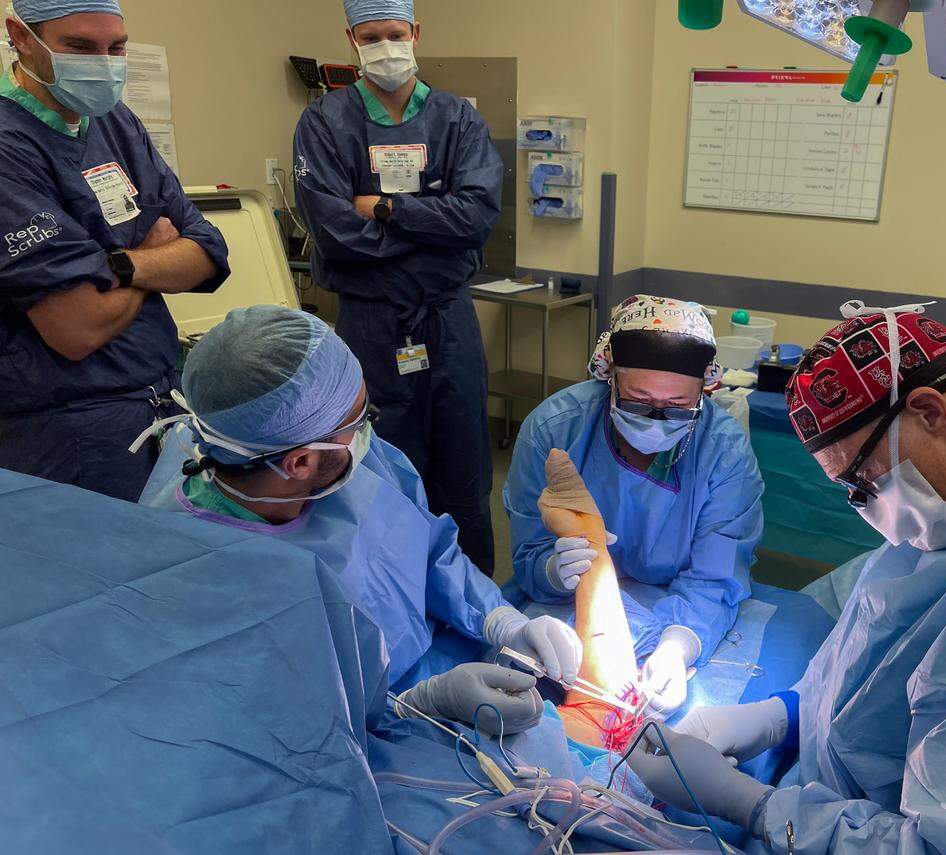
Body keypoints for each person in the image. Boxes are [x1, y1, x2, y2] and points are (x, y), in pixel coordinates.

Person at [627, 304, 946, 853]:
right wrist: (785, 715)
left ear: (929, 412)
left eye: (862, 480)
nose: (866, 506)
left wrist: (753, 806)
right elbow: (891, 675)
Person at [138, 306, 578, 732]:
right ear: (300, 462)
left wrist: (498, 620)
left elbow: (427, 551)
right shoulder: (191, 575)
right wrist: (414, 707)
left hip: (442, 660)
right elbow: (266, 730)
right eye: (360, 419)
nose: (368, 431)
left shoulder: (349, 464)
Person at [293, 0, 502, 576]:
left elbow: (477, 217)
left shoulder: (457, 119)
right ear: (351, 41)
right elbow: (334, 234)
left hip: (447, 319)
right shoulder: (325, 123)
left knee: (463, 474)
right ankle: (395, 608)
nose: (385, 46)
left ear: (415, 33)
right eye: (371, 36)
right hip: (372, 323)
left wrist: (384, 209)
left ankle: (475, 608)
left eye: (394, 33)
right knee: (380, 470)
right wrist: (433, 227)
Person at [0, 0, 229, 502]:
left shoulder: (114, 122)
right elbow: (76, 326)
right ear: (19, 36)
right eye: (80, 47)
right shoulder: (8, 146)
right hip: (71, 433)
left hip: (161, 401)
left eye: (116, 47)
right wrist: (153, 255)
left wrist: (121, 266)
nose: (103, 64)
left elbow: (208, 247)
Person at [505, 295, 765, 716]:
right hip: (567, 604)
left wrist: (678, 644)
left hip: (680, 599)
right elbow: (530, 547)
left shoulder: (723, 450)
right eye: (638, 401)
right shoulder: (555, 429)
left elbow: (717, 573)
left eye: (678, 407)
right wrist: (552, 571)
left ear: (706, 389)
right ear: (608, 379)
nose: (656, 418)